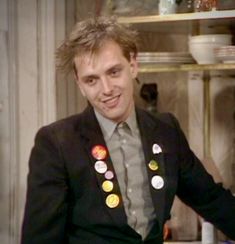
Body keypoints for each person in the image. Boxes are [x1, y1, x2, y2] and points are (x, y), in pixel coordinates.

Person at [21, 16, 235, 244]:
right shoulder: (56, 143)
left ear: (133, 65)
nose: (106, 89)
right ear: (79, 84)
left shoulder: (165, 130)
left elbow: (211, 200)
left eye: (114, 72)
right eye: (91, 80)